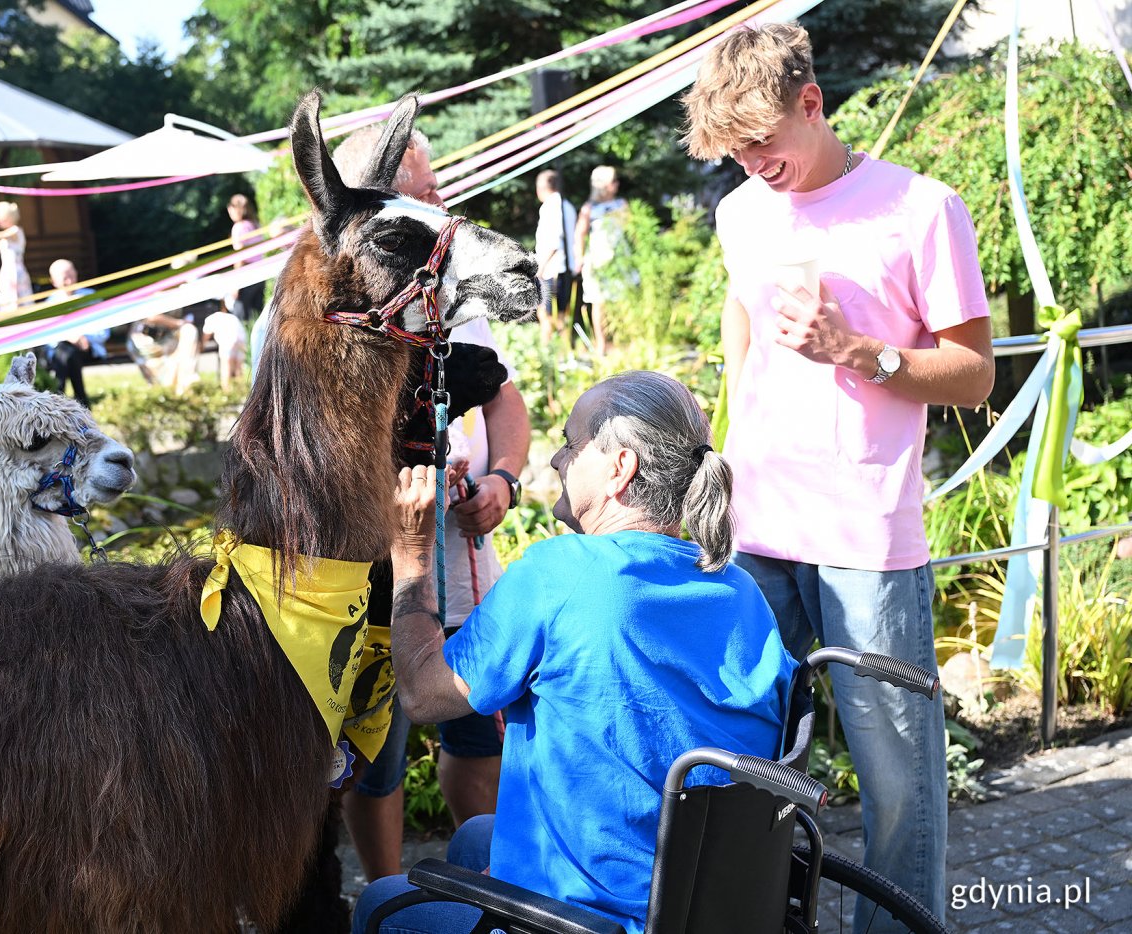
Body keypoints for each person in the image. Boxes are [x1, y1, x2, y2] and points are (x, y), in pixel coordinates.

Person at [681, 23, 995, 928]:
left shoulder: (922, 208)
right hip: (758, 529)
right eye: (734, 152)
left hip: (866, 537)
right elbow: (742, 324)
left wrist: (864, 354)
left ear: (811, 103)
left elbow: (974, 374)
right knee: (753, 770)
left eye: (762, 144)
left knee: (899, 786)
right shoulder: (740, 211)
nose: (750, 165)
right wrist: (725, 450)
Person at [353, 371, 797, 934]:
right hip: (705, 895)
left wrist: (413, 555)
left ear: (620, 468)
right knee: (473, 837)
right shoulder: (739, 589)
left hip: (595, 918)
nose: (558, 460)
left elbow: (421, 690)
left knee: (383, 900)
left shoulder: (558, 574)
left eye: (571, 442)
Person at [331, 122, 532, 882]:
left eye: (436, 189)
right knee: (374, 754)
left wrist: (503, 479)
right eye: (424, 195)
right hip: (372, 574)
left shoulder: (452, 287)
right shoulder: (316, 315)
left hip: (462, 558)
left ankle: (489, 888)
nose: (441, 204)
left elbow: (504, 401)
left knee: (477, 731)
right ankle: (385, 898)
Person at [573, 166, 631, 358]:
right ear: (604, 185)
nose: (617, 184)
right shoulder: (589, 208)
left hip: (619, 259)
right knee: (599, 303)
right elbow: (580, 234)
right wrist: (579, 259)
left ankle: (623, 341)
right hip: (598, 261)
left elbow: (630, 229)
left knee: (623, 302)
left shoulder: (621, 204)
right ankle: (601, 344)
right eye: (613, 181)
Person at [43, 259, 106, 407]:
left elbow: (103, 331)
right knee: (67, 353)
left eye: (72, 275)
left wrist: (84, 338)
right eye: (65, 278)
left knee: (66, 354)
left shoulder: (90, 297)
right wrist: (69, 337)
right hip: (61, 350)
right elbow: (46, 338)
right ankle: (81, 399)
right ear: (54, 281)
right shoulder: (49, 304)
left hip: (86, 348)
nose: (70, 281)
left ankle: (58, 399)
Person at [533, 169, 577, 343]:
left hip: (552, 269)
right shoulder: (568, 205)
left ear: (541, 188)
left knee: (545, 314)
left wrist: (540, 269)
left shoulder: (550, 206)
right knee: (562, 315)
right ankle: (564, 353)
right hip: (566, 267)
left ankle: (547, 352)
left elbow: (554, 241)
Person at [0, 201, 32, 306]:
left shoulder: (15, 230)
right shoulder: (10, 232)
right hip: (8, 270)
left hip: (15, 270)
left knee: (19, 301)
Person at [226, 193, 267, 321]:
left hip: (247, 275)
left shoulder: (238, 228)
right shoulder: (255, 224)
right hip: (261, 273)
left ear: (237, 209)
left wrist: (235, 284)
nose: (229, 212)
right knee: (258, 316)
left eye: (230, 208)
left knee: (241, 317)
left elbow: (240, 257)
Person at [200, 307, 247, 391]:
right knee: (238, 367)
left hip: (227, 340)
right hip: (241, 339)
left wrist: (201, 347)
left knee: (226, 367)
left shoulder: (210, 319)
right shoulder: (230, 316)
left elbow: (206, 335)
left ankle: (226, 391)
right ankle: (240, 390)